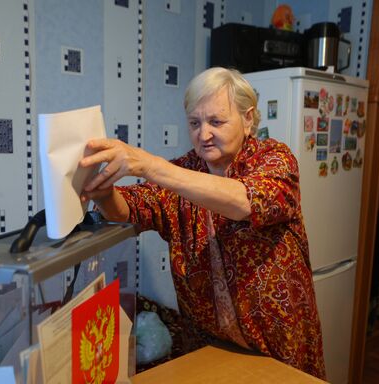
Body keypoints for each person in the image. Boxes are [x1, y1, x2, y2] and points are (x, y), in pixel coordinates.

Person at [80, 67, 326, 379]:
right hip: (210, 347)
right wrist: (103, 193)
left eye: (216, 121)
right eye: (195, 123)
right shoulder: (185, 169)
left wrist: (147, 163)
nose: (204, 134)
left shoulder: (275, 159)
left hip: (279, 345)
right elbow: (132, 209)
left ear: (248, 118)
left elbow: (245, 201)